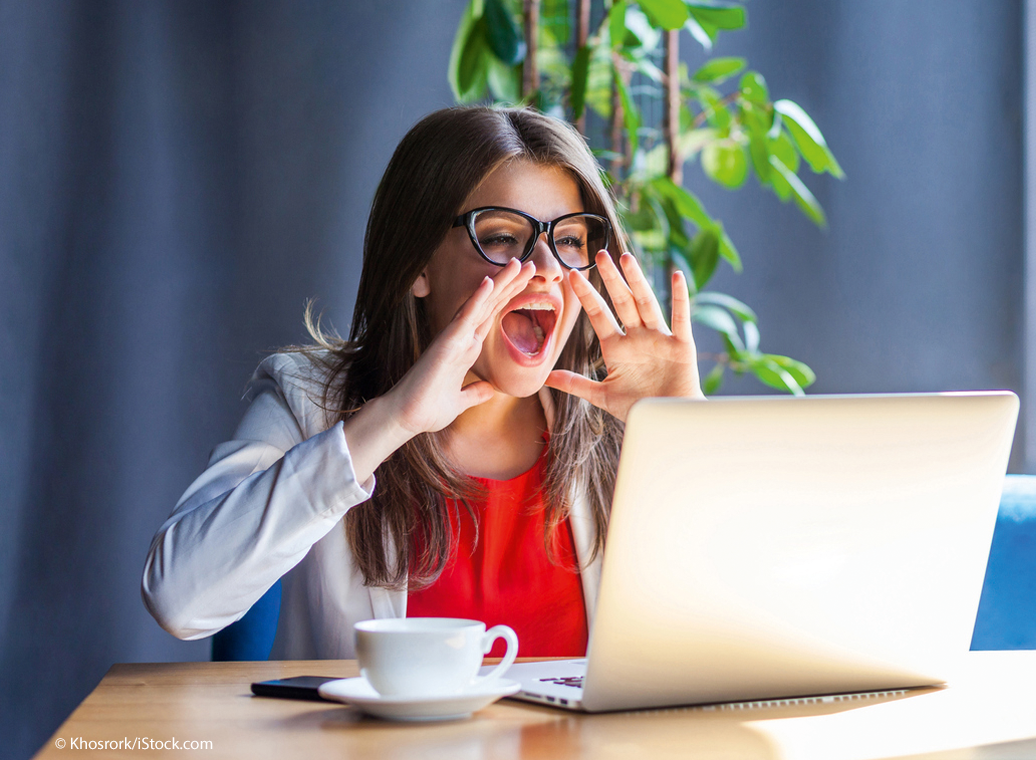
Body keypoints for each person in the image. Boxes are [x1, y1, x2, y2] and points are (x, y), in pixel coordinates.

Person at [141, 105, 703, 659]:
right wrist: (391, 421)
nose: (548, 268)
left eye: (571, 240)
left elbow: (749, 633)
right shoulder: (307, 397)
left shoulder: (621, 419)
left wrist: (686, 436)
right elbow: (179, 598)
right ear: (419, 265)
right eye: (504, 237)